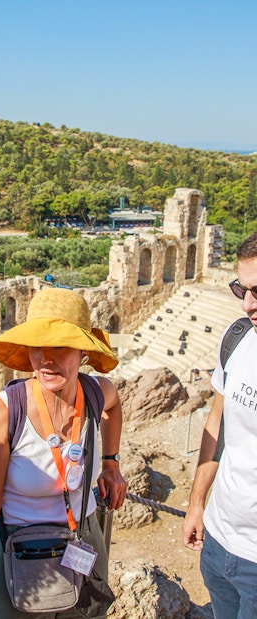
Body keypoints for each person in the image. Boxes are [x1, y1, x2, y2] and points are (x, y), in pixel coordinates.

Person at [0, 287, 127, 618]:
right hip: (22, 551)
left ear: (82, 352)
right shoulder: (6, 410)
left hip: (82, 539)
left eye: (60, 346)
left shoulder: (96, 393)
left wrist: (111, 463)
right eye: (37, 346)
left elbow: (114, 406)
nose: (46, 358)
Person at [182, 231, 257, 619]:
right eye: (241, 290)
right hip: (219, 540)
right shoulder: (238, 338)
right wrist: (197, 505)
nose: (247, 304)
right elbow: (218, 424)